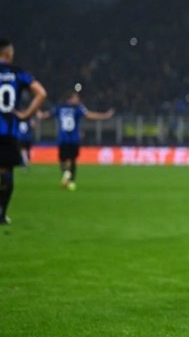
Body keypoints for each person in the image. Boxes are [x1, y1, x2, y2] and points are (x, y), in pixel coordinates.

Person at [0, 39, 47, 225]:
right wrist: (26, 114)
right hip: (8, 132)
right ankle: (2, 213)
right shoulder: (18, 73)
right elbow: (41, 93)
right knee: (6, 171)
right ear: (7, 52)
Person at [39, 91, 115, 190]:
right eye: (76, 98)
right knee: (72, 160)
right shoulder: (78, 108)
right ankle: (71, 180)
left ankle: (66, 175)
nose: (77, 99)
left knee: (63, 160)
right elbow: (90, 115)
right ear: (70, 99)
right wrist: (105, 115)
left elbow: (46, 115)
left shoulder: (59, 107)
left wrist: (39, 114)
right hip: (73, 139)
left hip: (63, 139)